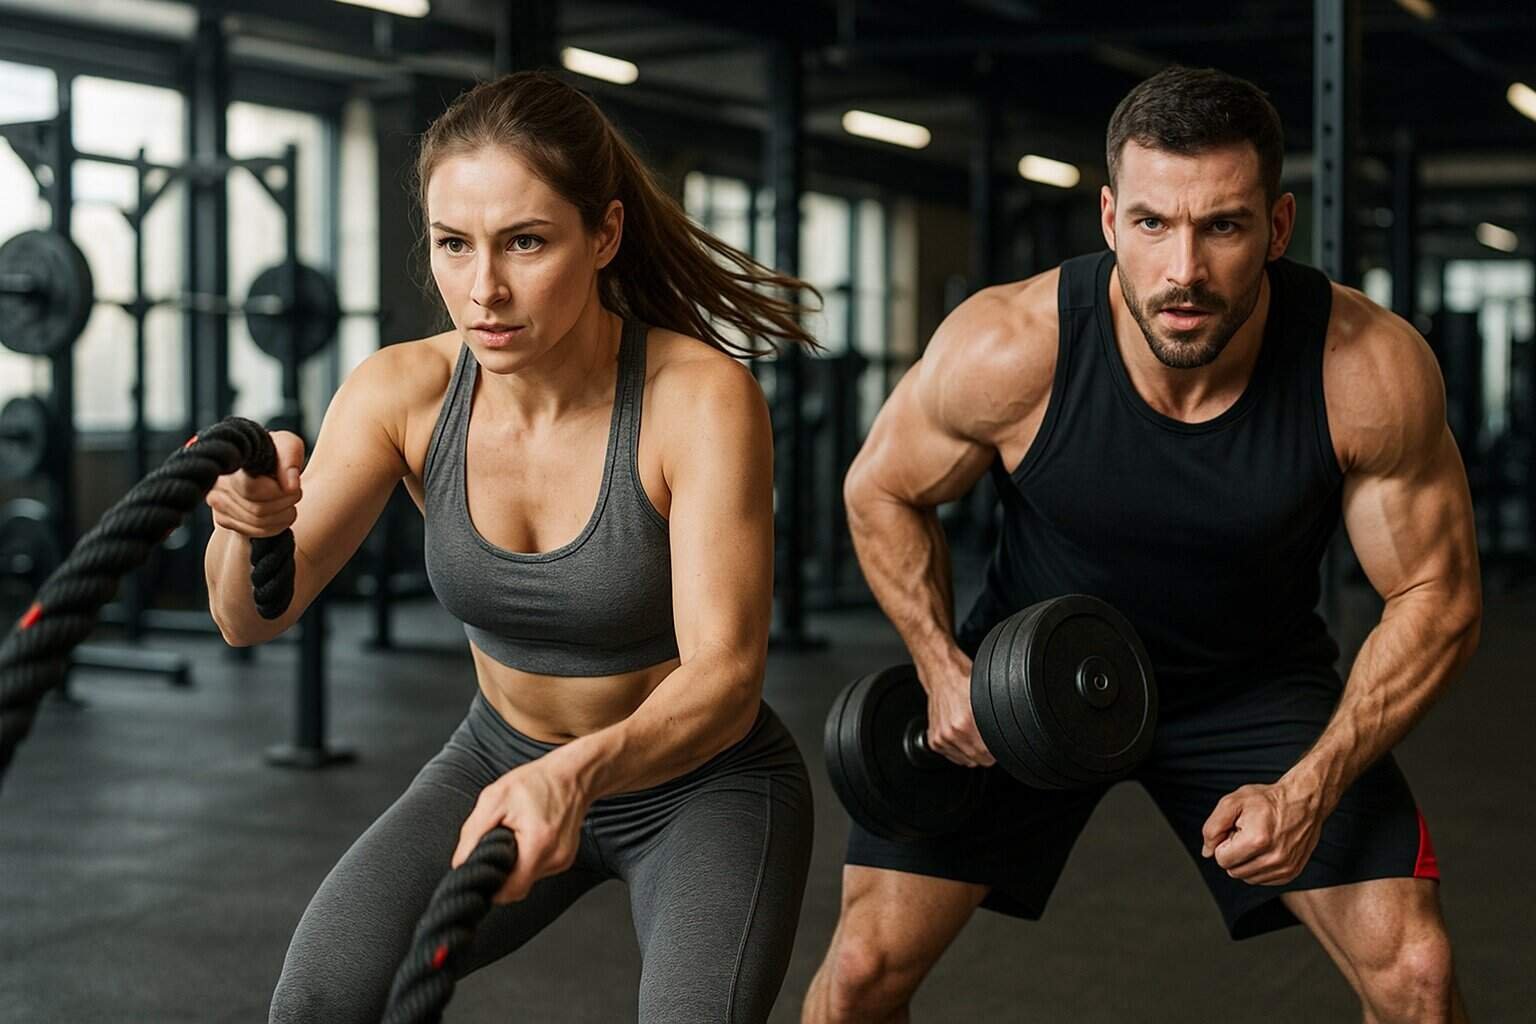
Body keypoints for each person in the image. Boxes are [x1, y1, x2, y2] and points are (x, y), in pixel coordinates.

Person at [804, 66, 1480, 1023]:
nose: (1185, 272)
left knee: (1415, 973)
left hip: (1251, 685)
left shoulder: (1364, 370)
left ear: (1279, 228)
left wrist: (1314, 782)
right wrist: (941, 666)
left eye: (1225, 227)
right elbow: (879, 489)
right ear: (1112, 218)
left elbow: (1438, 597)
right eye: (1156, 224)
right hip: (1021, 678)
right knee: (862, 972)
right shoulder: (1011, 347)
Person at [203, 71, 818, 1024]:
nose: (483, 289)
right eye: (454, 245)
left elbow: (727, 677)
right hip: (498, 757)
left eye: (525, 243)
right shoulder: (401, 393)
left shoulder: (697, 398)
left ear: (603, 234)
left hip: (704, 785)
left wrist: (573, 775)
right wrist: (248, 528)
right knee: (320, 998)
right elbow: (247, 618)